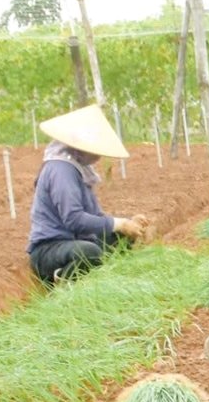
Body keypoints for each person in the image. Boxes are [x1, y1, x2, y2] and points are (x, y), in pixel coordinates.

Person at [25, 104, 149, 285]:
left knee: (120, 239)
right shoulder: (61, 170)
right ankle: (63, 286)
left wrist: (127, 223)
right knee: (89, 253)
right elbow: (74, 219)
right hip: (50, 249)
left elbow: (95, 218)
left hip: (74, 241)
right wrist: (120, 223)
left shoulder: (77, 168)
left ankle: (100, 281)